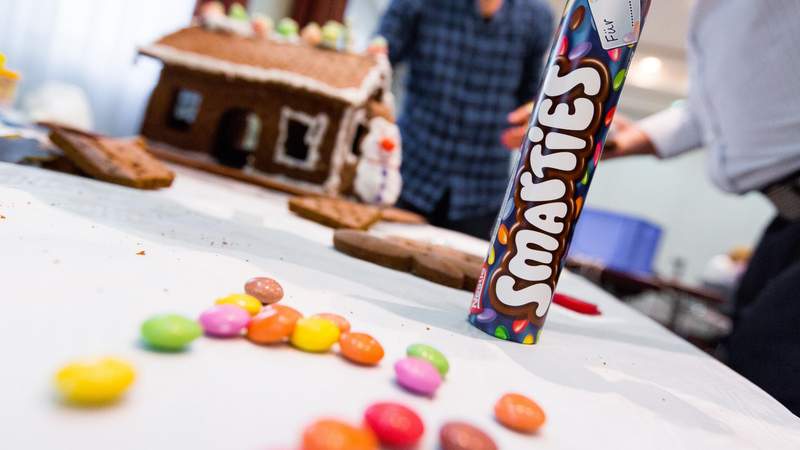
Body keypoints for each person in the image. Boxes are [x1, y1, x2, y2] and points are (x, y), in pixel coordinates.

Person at [600, 1, 800, 415]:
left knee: (771, 367)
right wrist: (600, 136)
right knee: (747, 356)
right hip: (786, 217)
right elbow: (707, 114)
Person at [376, 0, 554, 239]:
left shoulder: (536, 16)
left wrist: (535, 116)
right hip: (406, 175)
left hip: (483, 193)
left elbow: (531, 97)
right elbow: (379, 60)